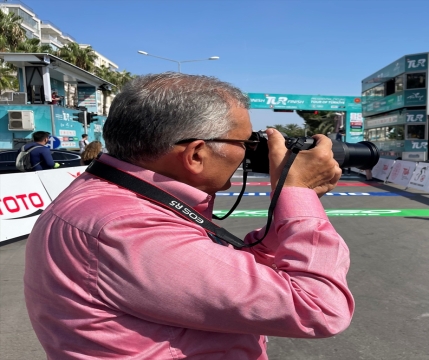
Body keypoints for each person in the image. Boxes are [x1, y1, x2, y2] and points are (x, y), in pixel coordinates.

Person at [24, 73, 354, 359]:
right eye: (245, 142)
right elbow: (319, 308)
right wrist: (299, 195)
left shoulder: (109, 199)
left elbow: (233, 274)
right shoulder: (126, 227)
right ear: (196, 154)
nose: (251, 151)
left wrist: (289, 204)